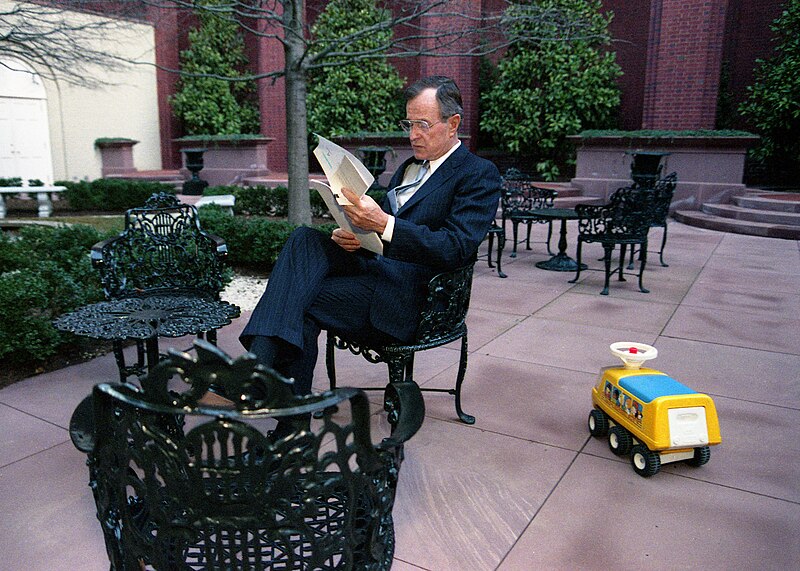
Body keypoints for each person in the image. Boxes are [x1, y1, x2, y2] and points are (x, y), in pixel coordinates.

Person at [240, 75, 501, 397]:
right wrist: (357, 235)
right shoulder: (409, 167)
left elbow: (456, 247)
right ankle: (259, 372)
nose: (412, 135)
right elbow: (386, 236)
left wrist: (383, 225)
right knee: (304, 238)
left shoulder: (478, 173)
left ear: (453, 123)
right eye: (408, 123)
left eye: (422, 124)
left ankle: (270, 395)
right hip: (377, 272)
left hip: (415, 298)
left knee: (299, 302)